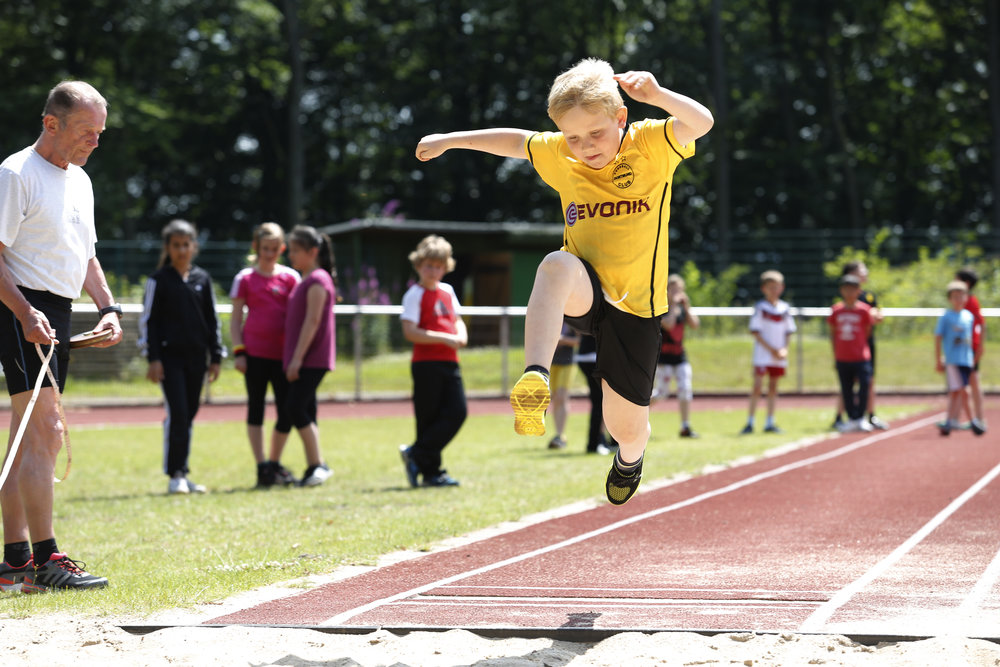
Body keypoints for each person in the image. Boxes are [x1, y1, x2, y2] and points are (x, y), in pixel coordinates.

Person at [416, 58, 713, 505]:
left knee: (625, 427)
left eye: (595, 134)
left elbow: (702, 122)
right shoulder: (562, 155)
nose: (585, 147)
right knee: (555, 264)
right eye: (572, 137)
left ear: (621, 117)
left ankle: (630, 458)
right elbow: (515, 141)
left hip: (636, 308)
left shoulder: (650, 144)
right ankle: (535, 375)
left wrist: (657, 95)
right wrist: (449, 140)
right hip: (585, 290)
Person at [0, 80, 122, 593]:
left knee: (25, 438)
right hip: (21, 306)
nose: (95, 141)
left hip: (57, 310)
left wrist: (108, 307)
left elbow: (85, 254)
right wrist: (25, 312)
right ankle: (47, 560)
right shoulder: (15, 173)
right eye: (86, 131)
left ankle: (15, 561)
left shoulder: (81, 181)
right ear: (51, 123)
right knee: (48, 432)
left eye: (100, 133)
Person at [139, 219, 223, 494]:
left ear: (194, 246)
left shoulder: (203, 279)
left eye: (186, 244)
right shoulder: (158, 281)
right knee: (179, 413)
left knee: (188, 415)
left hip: (197, 359)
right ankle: (176, 474)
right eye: (176, 245)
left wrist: (216, 356)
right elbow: (149, 321)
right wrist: (153, 358)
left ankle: (183, 472)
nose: (182, 250)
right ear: (168, 247)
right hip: (169, 360)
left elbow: (212, 319)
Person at [230, 222, 301, 488]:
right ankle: (261, 466)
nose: (269, 254)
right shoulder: (245, 278)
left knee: (287, 411)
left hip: (284, 357)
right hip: (255, 355)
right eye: (265, 249)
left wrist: (297, 355)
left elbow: (298, 316)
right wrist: (239, 352)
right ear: (256, 247)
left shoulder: (291, 278)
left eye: (274, 249)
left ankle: (274, 462)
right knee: (256, 409)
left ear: (282, 249)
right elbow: (235, 320)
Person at [398, 235, 467, 487]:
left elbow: (457, 320)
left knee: (457, 412)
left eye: (439, 266)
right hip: (426, 364)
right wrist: (444, 338)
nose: (433, 271)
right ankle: (431, 472)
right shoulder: (414, 295)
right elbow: (410, 332)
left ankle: (416, 453)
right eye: (429, 266)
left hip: (450, 361)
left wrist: (460, 335)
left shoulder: (447, 291)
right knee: (428, 417)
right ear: (418, 265)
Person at [283, 225, 336, 486]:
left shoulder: (317, 280)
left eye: (295, 250)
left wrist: (297, 358)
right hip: (305, 357)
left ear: (313, 252)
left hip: (311, 358)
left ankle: (318, 464)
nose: (290, 255)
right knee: (306, 409)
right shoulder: (306, 280)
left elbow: (313, 321)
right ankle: (313, 466)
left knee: (295, 408)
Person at [832, 261, 887, 430]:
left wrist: (874, 314)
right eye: (861, 270)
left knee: (868, 380)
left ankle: (870, 415)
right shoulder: (842, 302)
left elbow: (876, 314)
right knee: (846, 383)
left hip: (864, 344)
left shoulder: (868, 296)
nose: (865, 273)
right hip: (847, 347)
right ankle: (841, 416)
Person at [741, 270, 796, 435]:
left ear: (782, 288)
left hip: (778, 356)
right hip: (763, 355)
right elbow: (756, 332)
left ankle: (770, 421)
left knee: (773, 387)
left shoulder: (784, 308)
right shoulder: (760, 307)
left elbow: (788, 332)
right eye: (770, 287)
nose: (774, 290)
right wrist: (772, 350)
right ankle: (750, 422)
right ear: (763, 288)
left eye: (776, 287)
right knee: (757, 387)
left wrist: (784, 349)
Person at [828, 274, 877, 433]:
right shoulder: (836, 310)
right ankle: (851, 418)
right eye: (846, 289)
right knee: (846, 389)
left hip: (861, 356)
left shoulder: (864, 310)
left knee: (864, 386)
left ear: (858, 291)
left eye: (853, 289)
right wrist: (835, 353)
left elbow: (868, 331)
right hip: (843, 356)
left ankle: (861, 418)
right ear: (841, 291)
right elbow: (833, 333)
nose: (849, 293)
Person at [935, 280, 983, 436]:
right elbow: (938, 338)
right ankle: (973, 421)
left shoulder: (968, 316)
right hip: (953, 360)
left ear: (966, 297)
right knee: (964, 391)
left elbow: (971, 338)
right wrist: (938, 359)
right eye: (955, 296)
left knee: (956, 392)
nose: (958, 299)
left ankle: (949, 422)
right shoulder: (946, 317)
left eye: (961, 296)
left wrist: (974, 356)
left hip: (966, 360)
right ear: (949, 298)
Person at [655, 274, 700, 438]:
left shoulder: (682, 309)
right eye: (673, 289)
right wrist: (673, 305)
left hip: (680, 357)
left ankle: (685, 426)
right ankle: (641, 416)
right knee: (661, 393)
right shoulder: (661, 308)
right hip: (664, 358)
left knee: (685, 389)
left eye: (679, 289)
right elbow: (668, 325)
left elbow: (695, 325)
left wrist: (687, 307)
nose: (676, 293)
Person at [956, 267, 987, 433]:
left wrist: (980, 346)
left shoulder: (970, 301)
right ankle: (957, 417)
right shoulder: (961, 300)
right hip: (962, 348)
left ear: (966, 283)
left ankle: (979, 419)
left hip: (970, 348)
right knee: (961, 382)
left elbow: (982, 323)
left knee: (973, 382)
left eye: (957, 279)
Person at [576, 334, 614, 455]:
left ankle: (601, 442)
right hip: (597, 356)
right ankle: (598, 442)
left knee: (601, 401)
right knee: (603, 401)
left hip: (585, 355)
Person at [546, 323, 580, 450]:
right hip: (552, 362)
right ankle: (557, 433)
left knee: (562, 396)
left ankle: (561, 434)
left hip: (567, 363)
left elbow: (579, 341)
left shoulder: (572, 320)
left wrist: (562, 340)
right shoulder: (550, 318)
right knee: (555, 398)